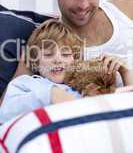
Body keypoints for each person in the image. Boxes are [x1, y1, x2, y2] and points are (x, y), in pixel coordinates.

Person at [0, 19, 133, 124]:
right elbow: (5, 113)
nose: (58, 60)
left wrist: (125, 72)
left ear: (74, 60)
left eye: (65, 54)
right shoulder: (26, 83)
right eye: (48, 54)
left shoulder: (89, 85)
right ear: (35, 62)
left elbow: (126, 108)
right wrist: (51, 94)